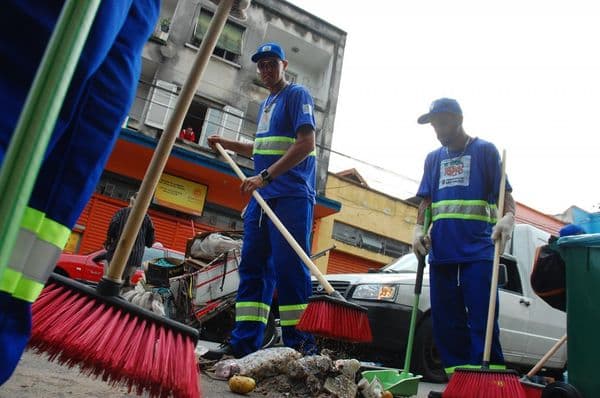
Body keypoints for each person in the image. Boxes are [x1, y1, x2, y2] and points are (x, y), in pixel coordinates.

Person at [0, 0, 159, 384]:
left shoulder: (145, 222)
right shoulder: (122, 215)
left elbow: (150, 238)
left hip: (139, 13)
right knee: (38, 50)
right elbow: (108, 236)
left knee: (96, 112)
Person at [204, 42, 318, 359]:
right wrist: (223, 141)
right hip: (261, 197)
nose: (266, 70)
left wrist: (264, 176)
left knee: (290, 268)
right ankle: (243, 344)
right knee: (253, 267)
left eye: (271, 64)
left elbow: (306, 143)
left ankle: (300, 348)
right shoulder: (267, 103)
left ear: (284, 65)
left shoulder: (297, 95)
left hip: (291, 194)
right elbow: (260, 148)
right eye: (261, 65)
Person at [412, 98, 516, 383]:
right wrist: (419, 228)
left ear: (458, 119)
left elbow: (505, 194)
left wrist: (508, 218)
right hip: (442, 252)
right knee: (446, 324)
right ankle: (459, 383)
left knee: (483, 318)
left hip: (479, 251)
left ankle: (489, 383)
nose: (438, 130)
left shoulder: (484, 151)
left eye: (442, 122)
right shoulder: (433, 158)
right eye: (434, 124)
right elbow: (427, 199)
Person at [105, 193, 155, 286]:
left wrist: (110, 241)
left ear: (132, 200)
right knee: (123, 286)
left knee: (109, 282)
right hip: (134, 258)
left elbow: (112, 228)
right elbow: (150, 242)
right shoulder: (147, 218)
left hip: (115, 253)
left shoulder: (121, 212)